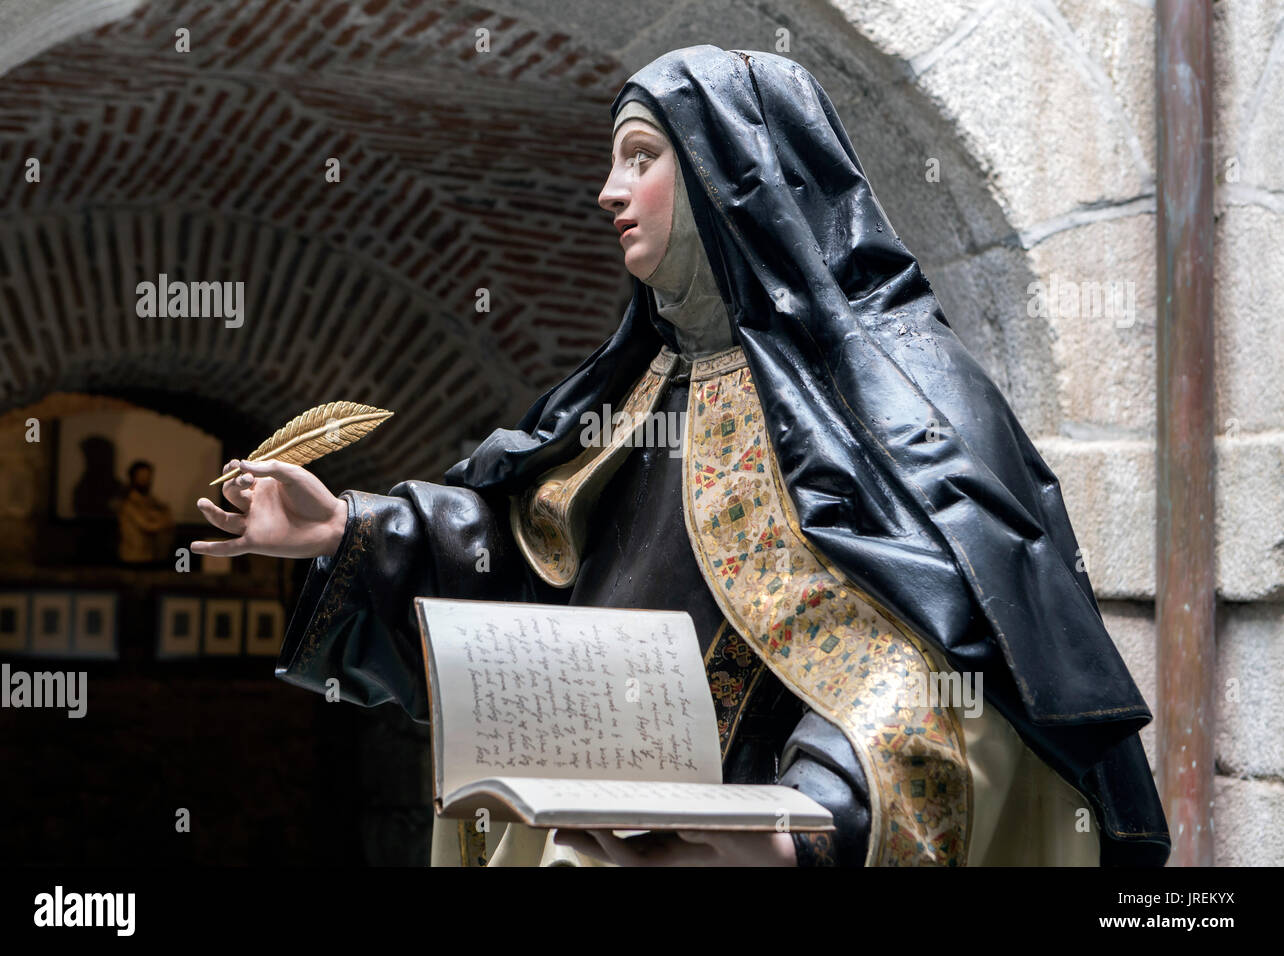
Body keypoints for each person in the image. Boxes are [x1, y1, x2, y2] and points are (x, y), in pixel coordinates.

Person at [194, 45, 1170, 867]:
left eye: (640, 156)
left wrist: (803, 822)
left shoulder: (902, 396)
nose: (608, 191)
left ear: (725, 172)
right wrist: (347, 525)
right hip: (590, 828)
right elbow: (522, 560)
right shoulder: (631, 389)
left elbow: (953, 648)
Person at [114, 459, 174, 564]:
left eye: (148, 478)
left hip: (152, 556)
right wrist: (163, 521)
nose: (145, 481)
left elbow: (167, 514)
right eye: (141, 478)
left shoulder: (153, 501)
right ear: (133, 479)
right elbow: (148, 525)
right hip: (134, 557)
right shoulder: (128, 503)